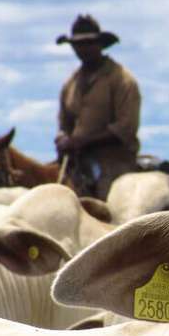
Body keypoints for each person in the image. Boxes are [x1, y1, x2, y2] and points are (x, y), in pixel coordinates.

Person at [55, 14, 141, 199]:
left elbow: (126, 127)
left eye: (88, 44)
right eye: (77, 45)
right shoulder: (70, 83)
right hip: (76, 161)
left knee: (111, 200)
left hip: (114, 160)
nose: (82, 49)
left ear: (100, 44)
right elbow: (64, 124)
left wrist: (83, 141)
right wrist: (63, 139)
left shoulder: (122, 79)